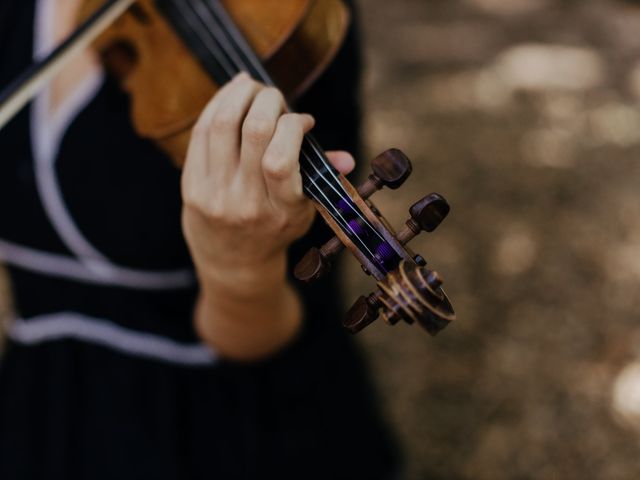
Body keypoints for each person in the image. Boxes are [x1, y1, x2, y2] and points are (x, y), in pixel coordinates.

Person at [0, 0, 401, 479]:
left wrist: (238, 269)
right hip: (38, 419)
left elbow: (290, 320)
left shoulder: (282, 13)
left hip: (230, 431)